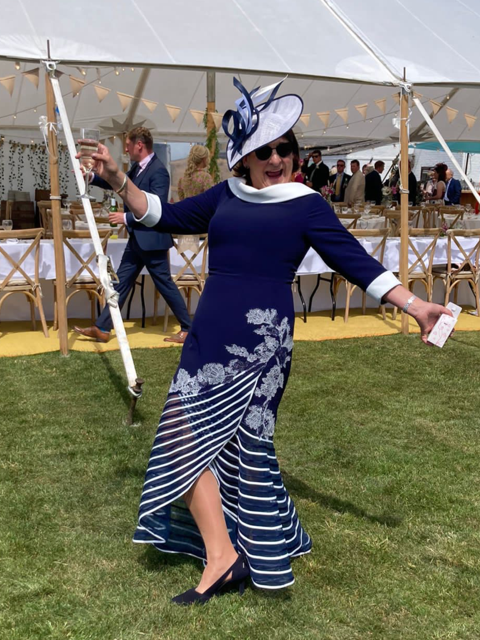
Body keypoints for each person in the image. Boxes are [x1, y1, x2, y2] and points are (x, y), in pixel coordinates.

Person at [89, 78, 451, 604]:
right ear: (246, 158)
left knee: (244, 445)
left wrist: (415, 306)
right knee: (182, 435)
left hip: (261, 343)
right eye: (264, 150)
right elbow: (163, 216)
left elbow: (356, 262)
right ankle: (226, 554)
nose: (276, 158)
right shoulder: (225, 195)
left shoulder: (306, 205)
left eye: (285, 148)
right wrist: (119, 178)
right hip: (209, 335)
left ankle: (230, 556)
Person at [74, 127, 191, 345]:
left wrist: (126, 218)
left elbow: (157, 207)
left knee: (164, 284)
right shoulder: (137, 168)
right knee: (120, 283)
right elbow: (116, 182)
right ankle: (102, 328)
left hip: (153, 239)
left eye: (128, 145)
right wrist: (91, 177)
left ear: (139, 145)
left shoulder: (159, 171)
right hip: (138, 239)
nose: (125, 149)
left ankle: (188, 329)